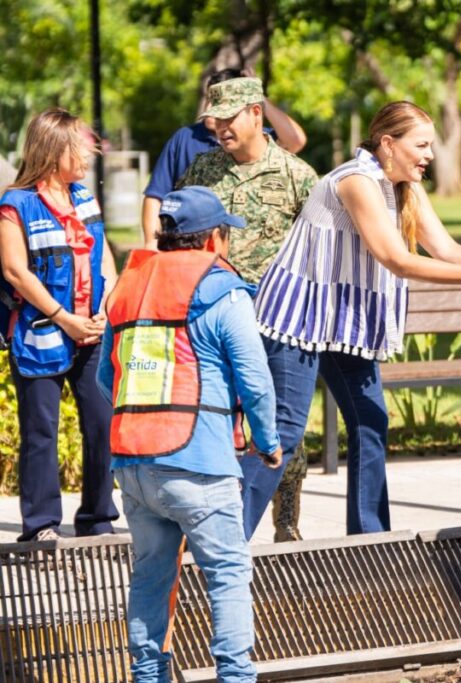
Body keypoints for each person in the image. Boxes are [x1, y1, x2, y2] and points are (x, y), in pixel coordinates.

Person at [247, 100, 461, 539]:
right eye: (421, 145)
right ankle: (221, 543)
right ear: (388, 143)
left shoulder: (405, 186)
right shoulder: (355, 181)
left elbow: (445, 248)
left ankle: (370, 541)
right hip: (298, 314)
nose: (430, 155)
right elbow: (396, 259)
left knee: (371, 422)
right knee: (284, 429)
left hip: (342, 319)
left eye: (431, 145)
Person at [96, 186, 281, 683]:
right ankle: (235, 677)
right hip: (199, 463)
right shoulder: (223, 291)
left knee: (150, 574)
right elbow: (255, 379)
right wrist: (267, 442)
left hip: (133, 464)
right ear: (213, 238)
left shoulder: (129, 288)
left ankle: (148, 675)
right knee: (227, 573)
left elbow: (106, 379)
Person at [178, 75, 318, 541]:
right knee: (218, 417)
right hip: (215, 312)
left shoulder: (296, 174)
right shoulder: (203, 171)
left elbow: (319, 246)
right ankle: (218, 519)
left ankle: (286, 521)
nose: (220, 127)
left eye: (229, 118)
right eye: (214, 120)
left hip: (279, 314)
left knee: (282, 422)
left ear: (256, 113)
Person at [0, 108, 119, 542]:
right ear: (52, 152)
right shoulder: (16, 205)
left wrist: (106, 303)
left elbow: (103, 254)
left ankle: (98, 519)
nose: (88, 157)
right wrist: (64, 318)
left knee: (102, 424)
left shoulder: (84, 197)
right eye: (79, 149)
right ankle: (41, 526)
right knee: (40, 432)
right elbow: (15, 272)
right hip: (41, 335)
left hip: (92, 331)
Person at [140, 68, 308, 249]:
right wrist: (152, 243)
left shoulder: (287, 164)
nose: (211, 112)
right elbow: (158, 196)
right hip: (206, 263)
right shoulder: (189, 145)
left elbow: (296, 140)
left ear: (255, 113)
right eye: (211, 101)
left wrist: (258, 95)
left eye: (228, 115)